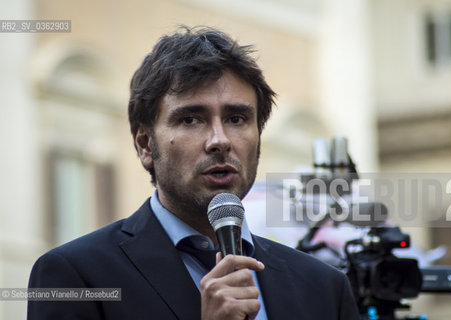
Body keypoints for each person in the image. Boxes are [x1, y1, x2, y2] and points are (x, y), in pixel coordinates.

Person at [28, 26, 360, 320]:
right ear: (145, 145)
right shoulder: (74, 276)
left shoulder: (323, 287)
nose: (220, 140)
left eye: (236, 118)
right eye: (191, 119)